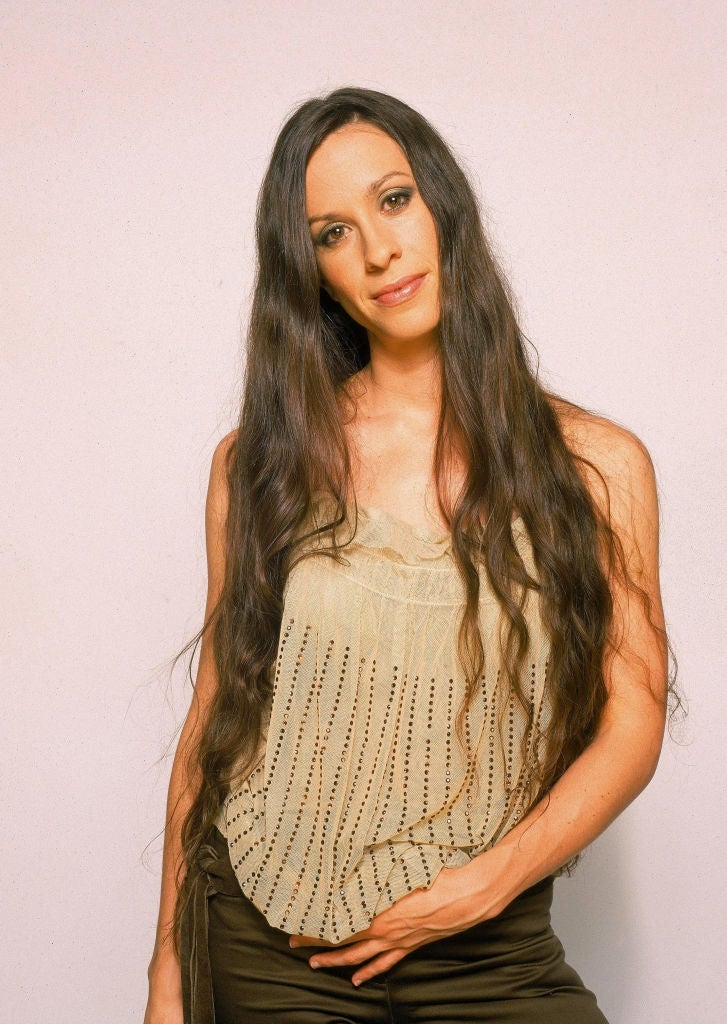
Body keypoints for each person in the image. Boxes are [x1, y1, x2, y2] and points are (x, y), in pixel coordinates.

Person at [144, 87, 674, 1024]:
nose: (378, 250)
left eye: (393, 201)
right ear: (307, 272)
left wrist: (488, 883)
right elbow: (215, 714)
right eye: (330, 233)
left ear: (442, 207)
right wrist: (167, 974)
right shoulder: (259, 465)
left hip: (489, 939)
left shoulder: (596, 465)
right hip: (275, 940)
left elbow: (632, 712)